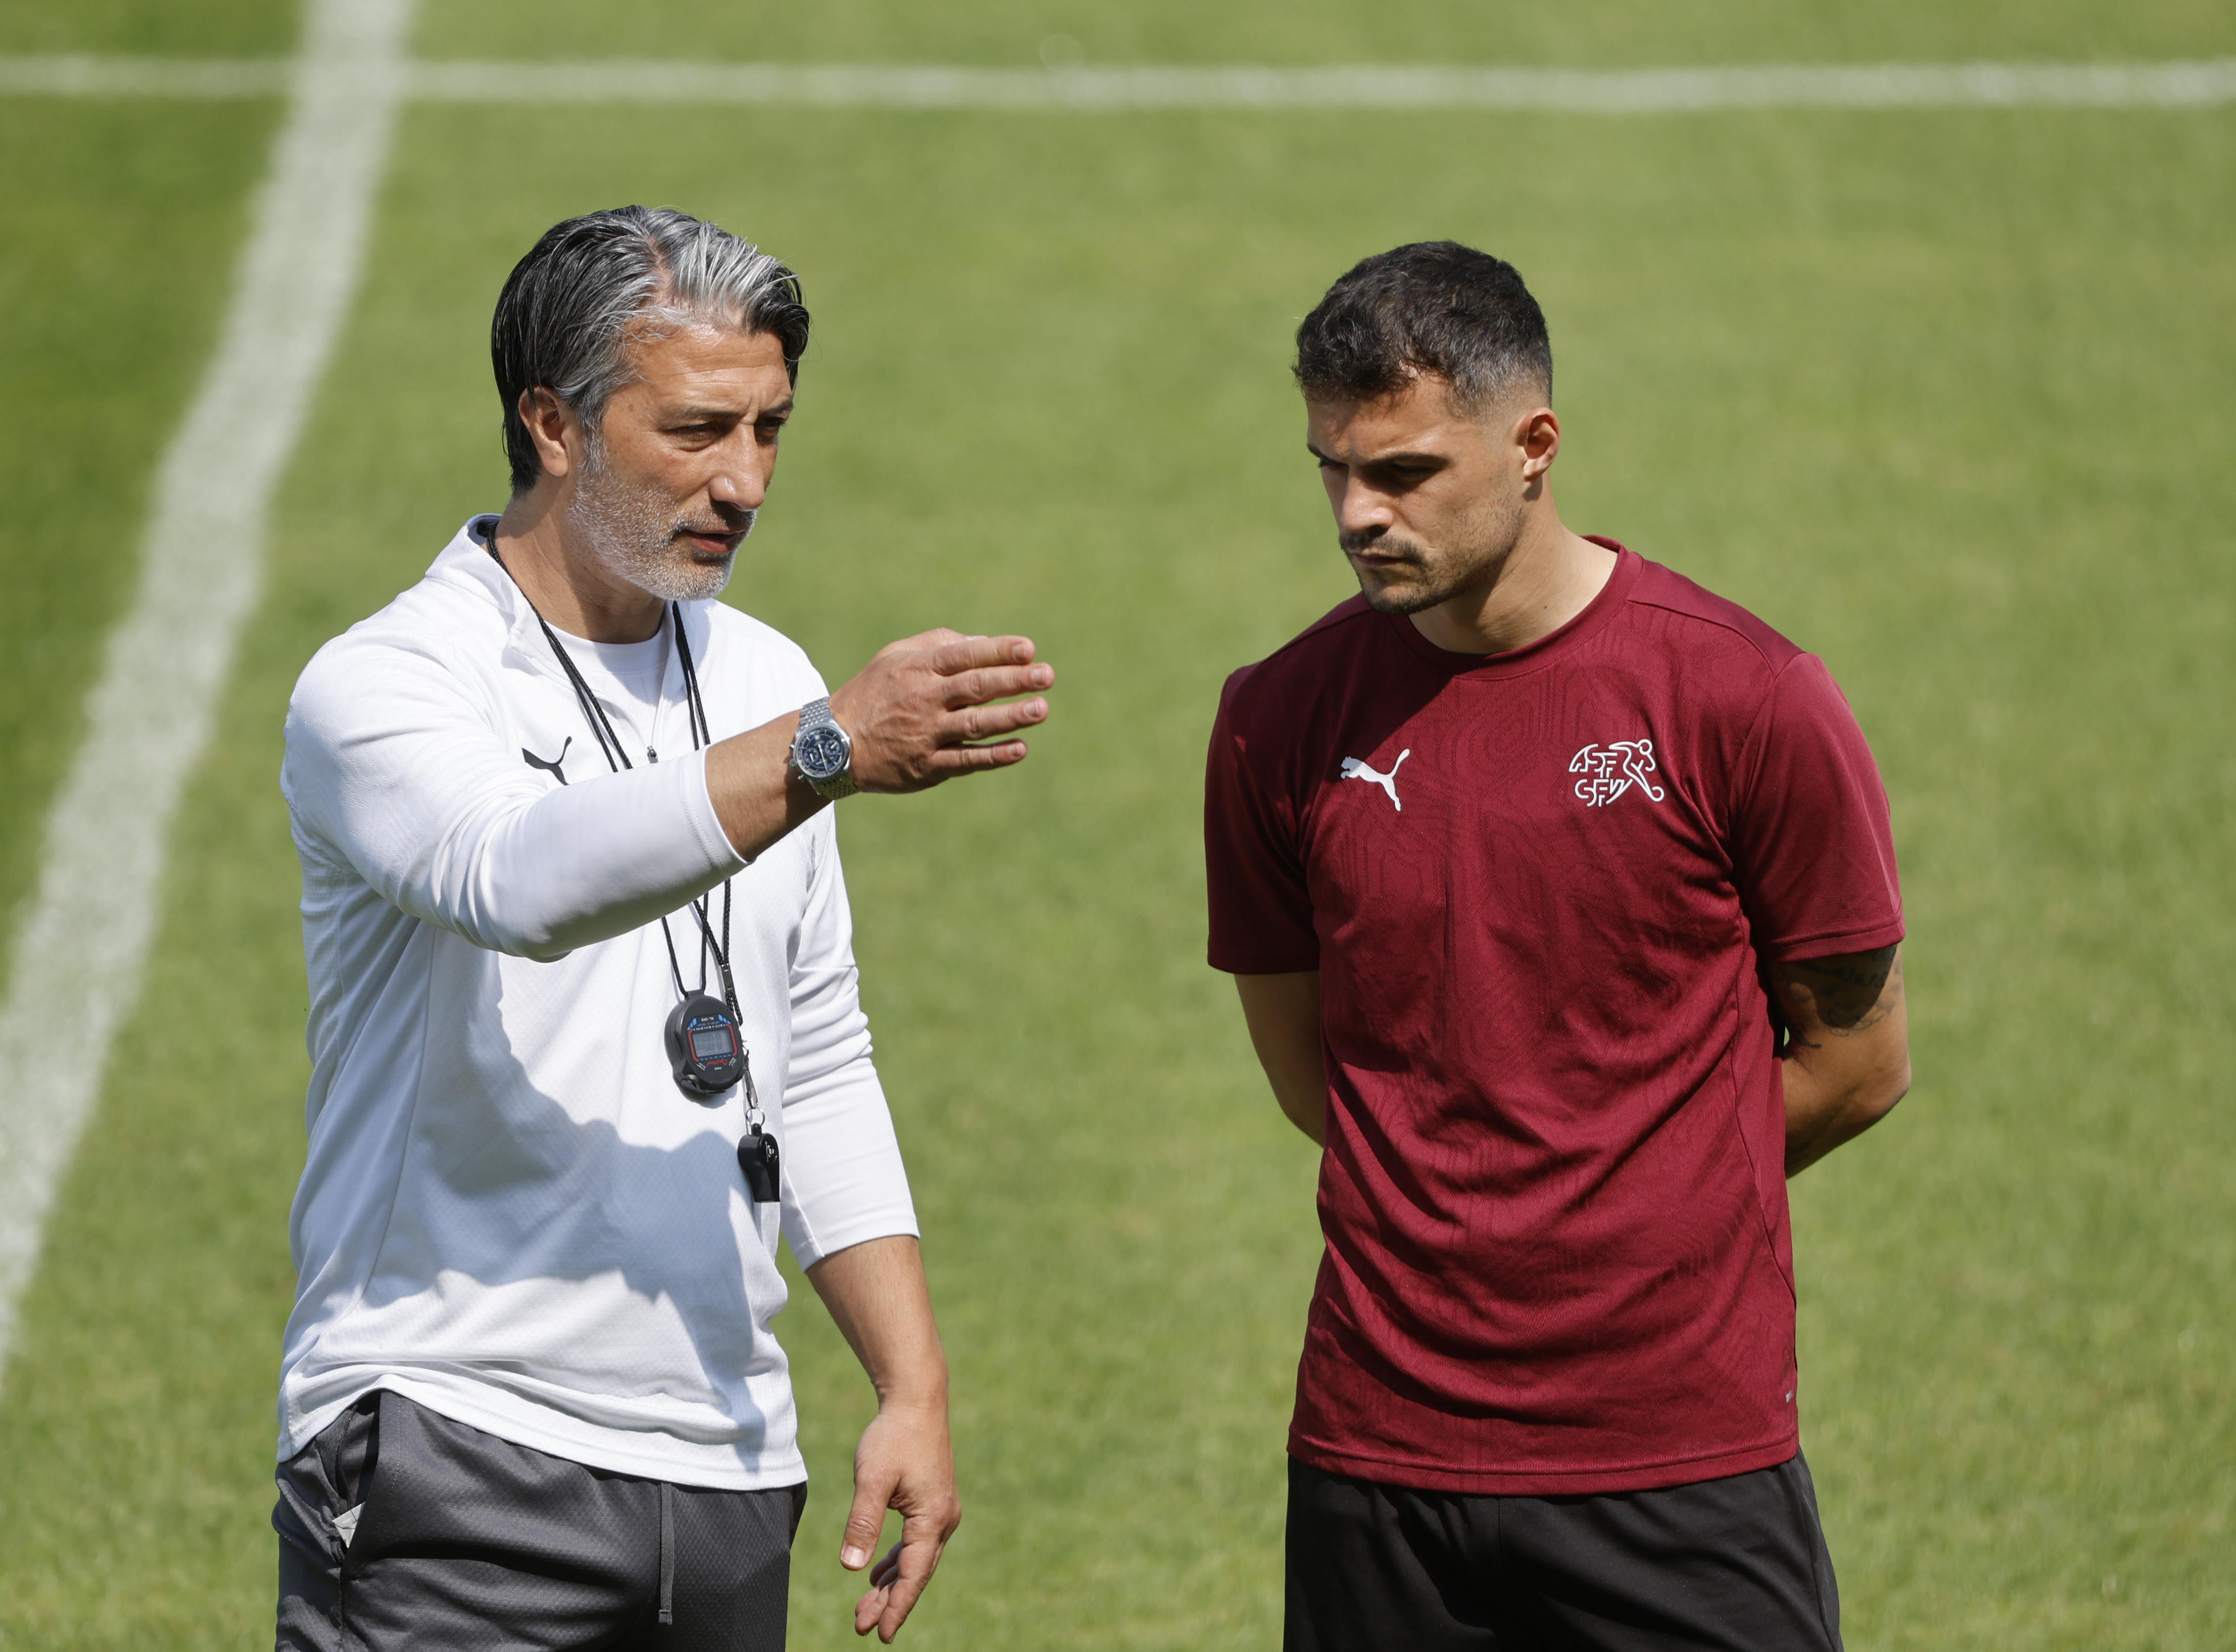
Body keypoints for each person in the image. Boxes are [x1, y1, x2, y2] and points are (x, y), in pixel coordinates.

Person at [273, 207, 1052, 1651]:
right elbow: (520, 880)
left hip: (726, 1465)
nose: (745, 481)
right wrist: (821, 752)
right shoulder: (387, 684)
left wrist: (912, 1382)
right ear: (553, 423)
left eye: (770, 430)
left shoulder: (763, 675)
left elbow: (807, 1056)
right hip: (456, 1439)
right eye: (697, 430)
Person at [1204, 241, 1910, 1651]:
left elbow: (1858, 1063)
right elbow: (1313, 1078)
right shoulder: (1275, 720)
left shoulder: (1742, 699)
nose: (1356, 512)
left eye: (1403, 472)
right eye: (1331, 467)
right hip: (1377, 1456)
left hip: (1677, 1456)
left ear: (1533, 446)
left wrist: (1629, 1201)